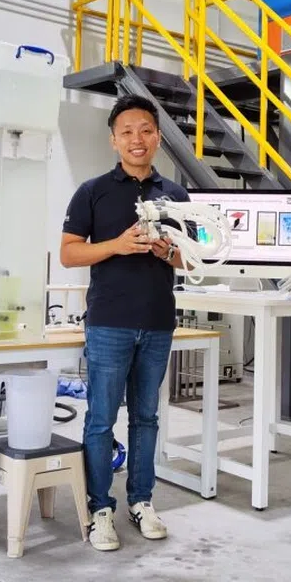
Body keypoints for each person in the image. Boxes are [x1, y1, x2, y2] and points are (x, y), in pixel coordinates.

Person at [60, 94, 189, 552]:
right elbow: (70, 251)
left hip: (157, 322)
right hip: (110, 322)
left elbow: (190, 260)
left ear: (157, 138)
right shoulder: (92, 191)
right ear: (114, 140)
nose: (138, 139)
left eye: (146, 131)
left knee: (148, 417)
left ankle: (141, 500)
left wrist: (166, 252)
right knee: (99, 420)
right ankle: (100, 510)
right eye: (128, 131)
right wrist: (115, 244)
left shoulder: (174, 194)